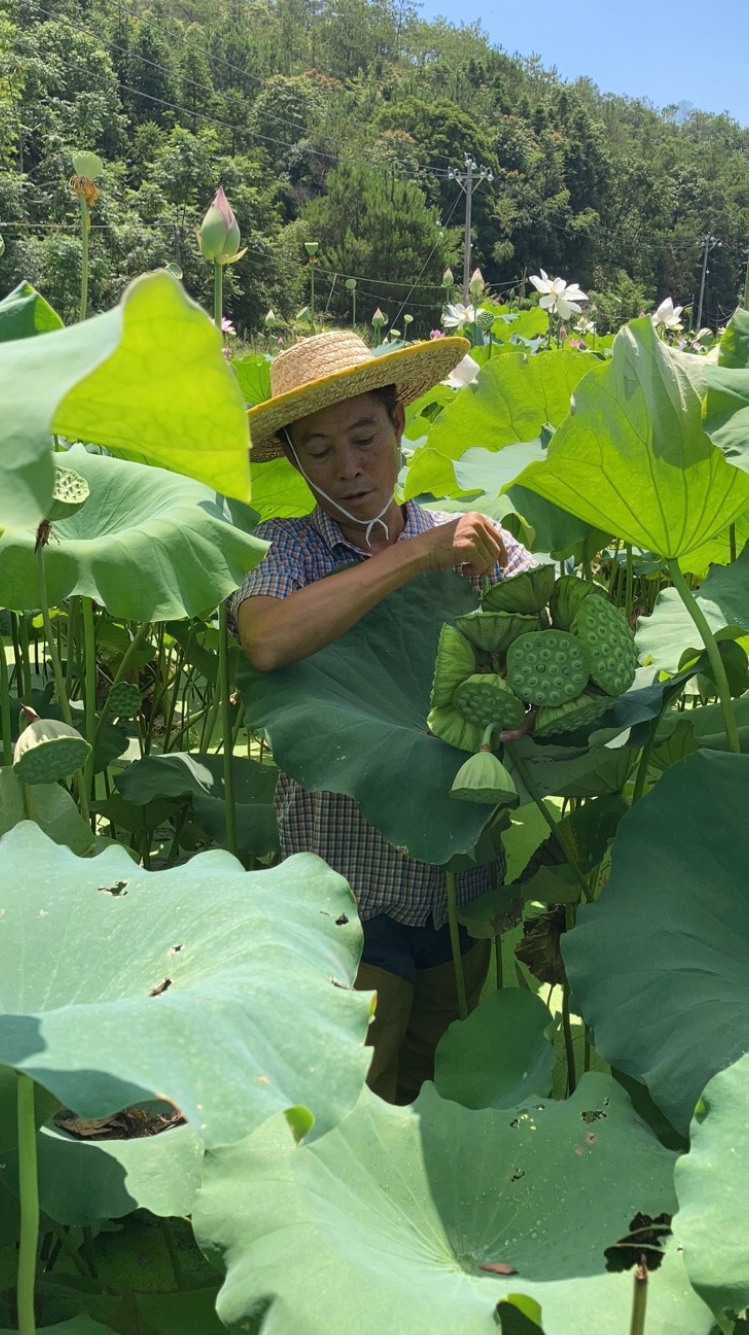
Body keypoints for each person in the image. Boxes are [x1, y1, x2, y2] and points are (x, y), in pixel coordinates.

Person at [230, 329, 535, 1104]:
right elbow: (266, 641)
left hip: (461, 884)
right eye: (321, 450)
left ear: (398, 424)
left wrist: (528, 710)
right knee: (348, 1109)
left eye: (364, 437)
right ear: (295, 461)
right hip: (343, 894)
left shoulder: (473, 538)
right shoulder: (285, 549)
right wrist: (414, 556)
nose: (350, 467)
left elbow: (557, 644)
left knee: (438, 1098)